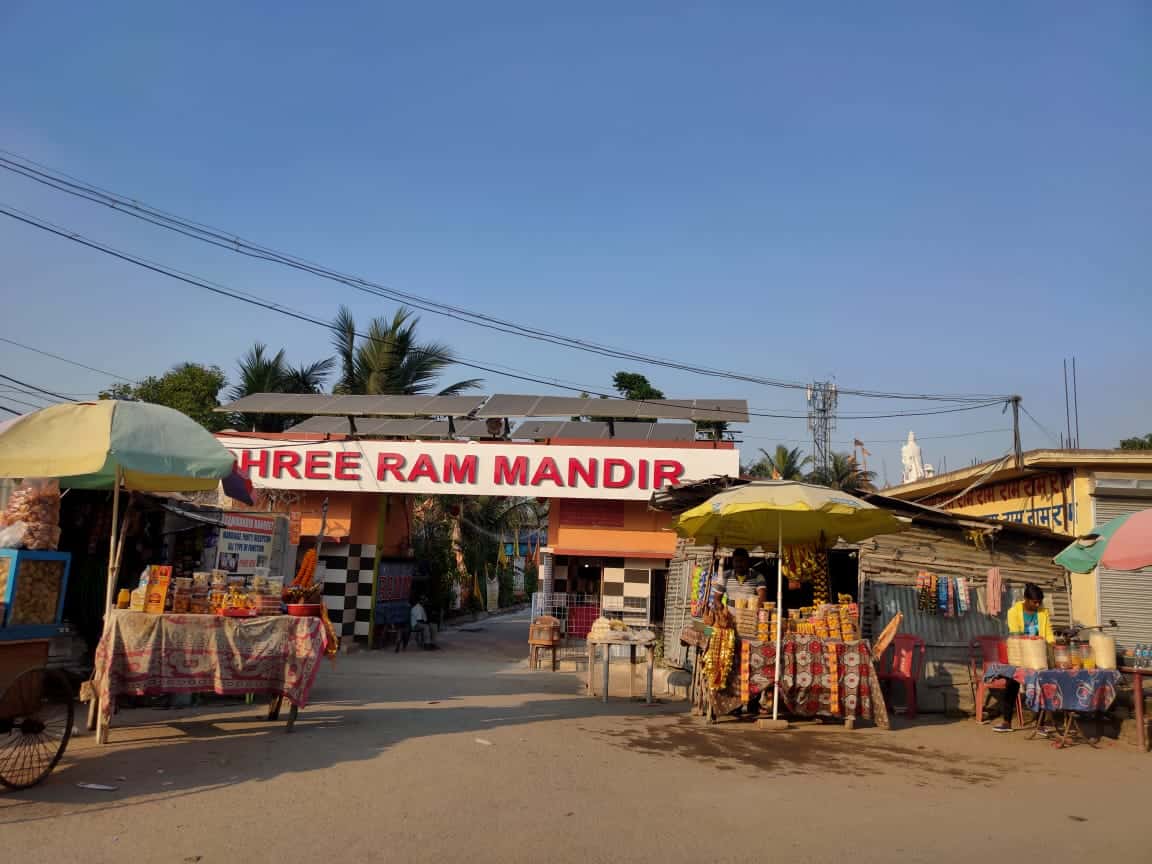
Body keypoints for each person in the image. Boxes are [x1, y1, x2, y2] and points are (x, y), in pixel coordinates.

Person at [993, 583, 1056, 733]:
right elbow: (1016, 634)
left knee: (1041, 686)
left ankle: (1040, 724)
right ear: (1026, 599)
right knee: (1012, 685)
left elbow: (1047, 632)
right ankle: (1006, 722)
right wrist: (1031, 642)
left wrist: (1052, 644)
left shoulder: (1043, 612)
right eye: (1034, 602)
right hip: (1019, 653)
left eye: (1039, 602)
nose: (1037, 604)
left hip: (1038, 655)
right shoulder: (1013, 612)